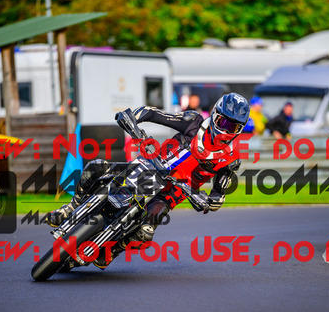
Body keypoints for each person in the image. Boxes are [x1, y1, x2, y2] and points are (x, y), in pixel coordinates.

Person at [46, 93, 250, 268]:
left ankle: (114, 249)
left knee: (145, 232)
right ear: (214, 115)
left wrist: (208, 201)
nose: (226, 131)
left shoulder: (231, 160)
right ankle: (71, 208)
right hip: (149, 165)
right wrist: (133, 119)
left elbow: (218, 195)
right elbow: (153, 113)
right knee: (95, 167)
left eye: (233, 127)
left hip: (172, 192)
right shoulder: (193, 121)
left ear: (239, 130)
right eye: (223, 123)